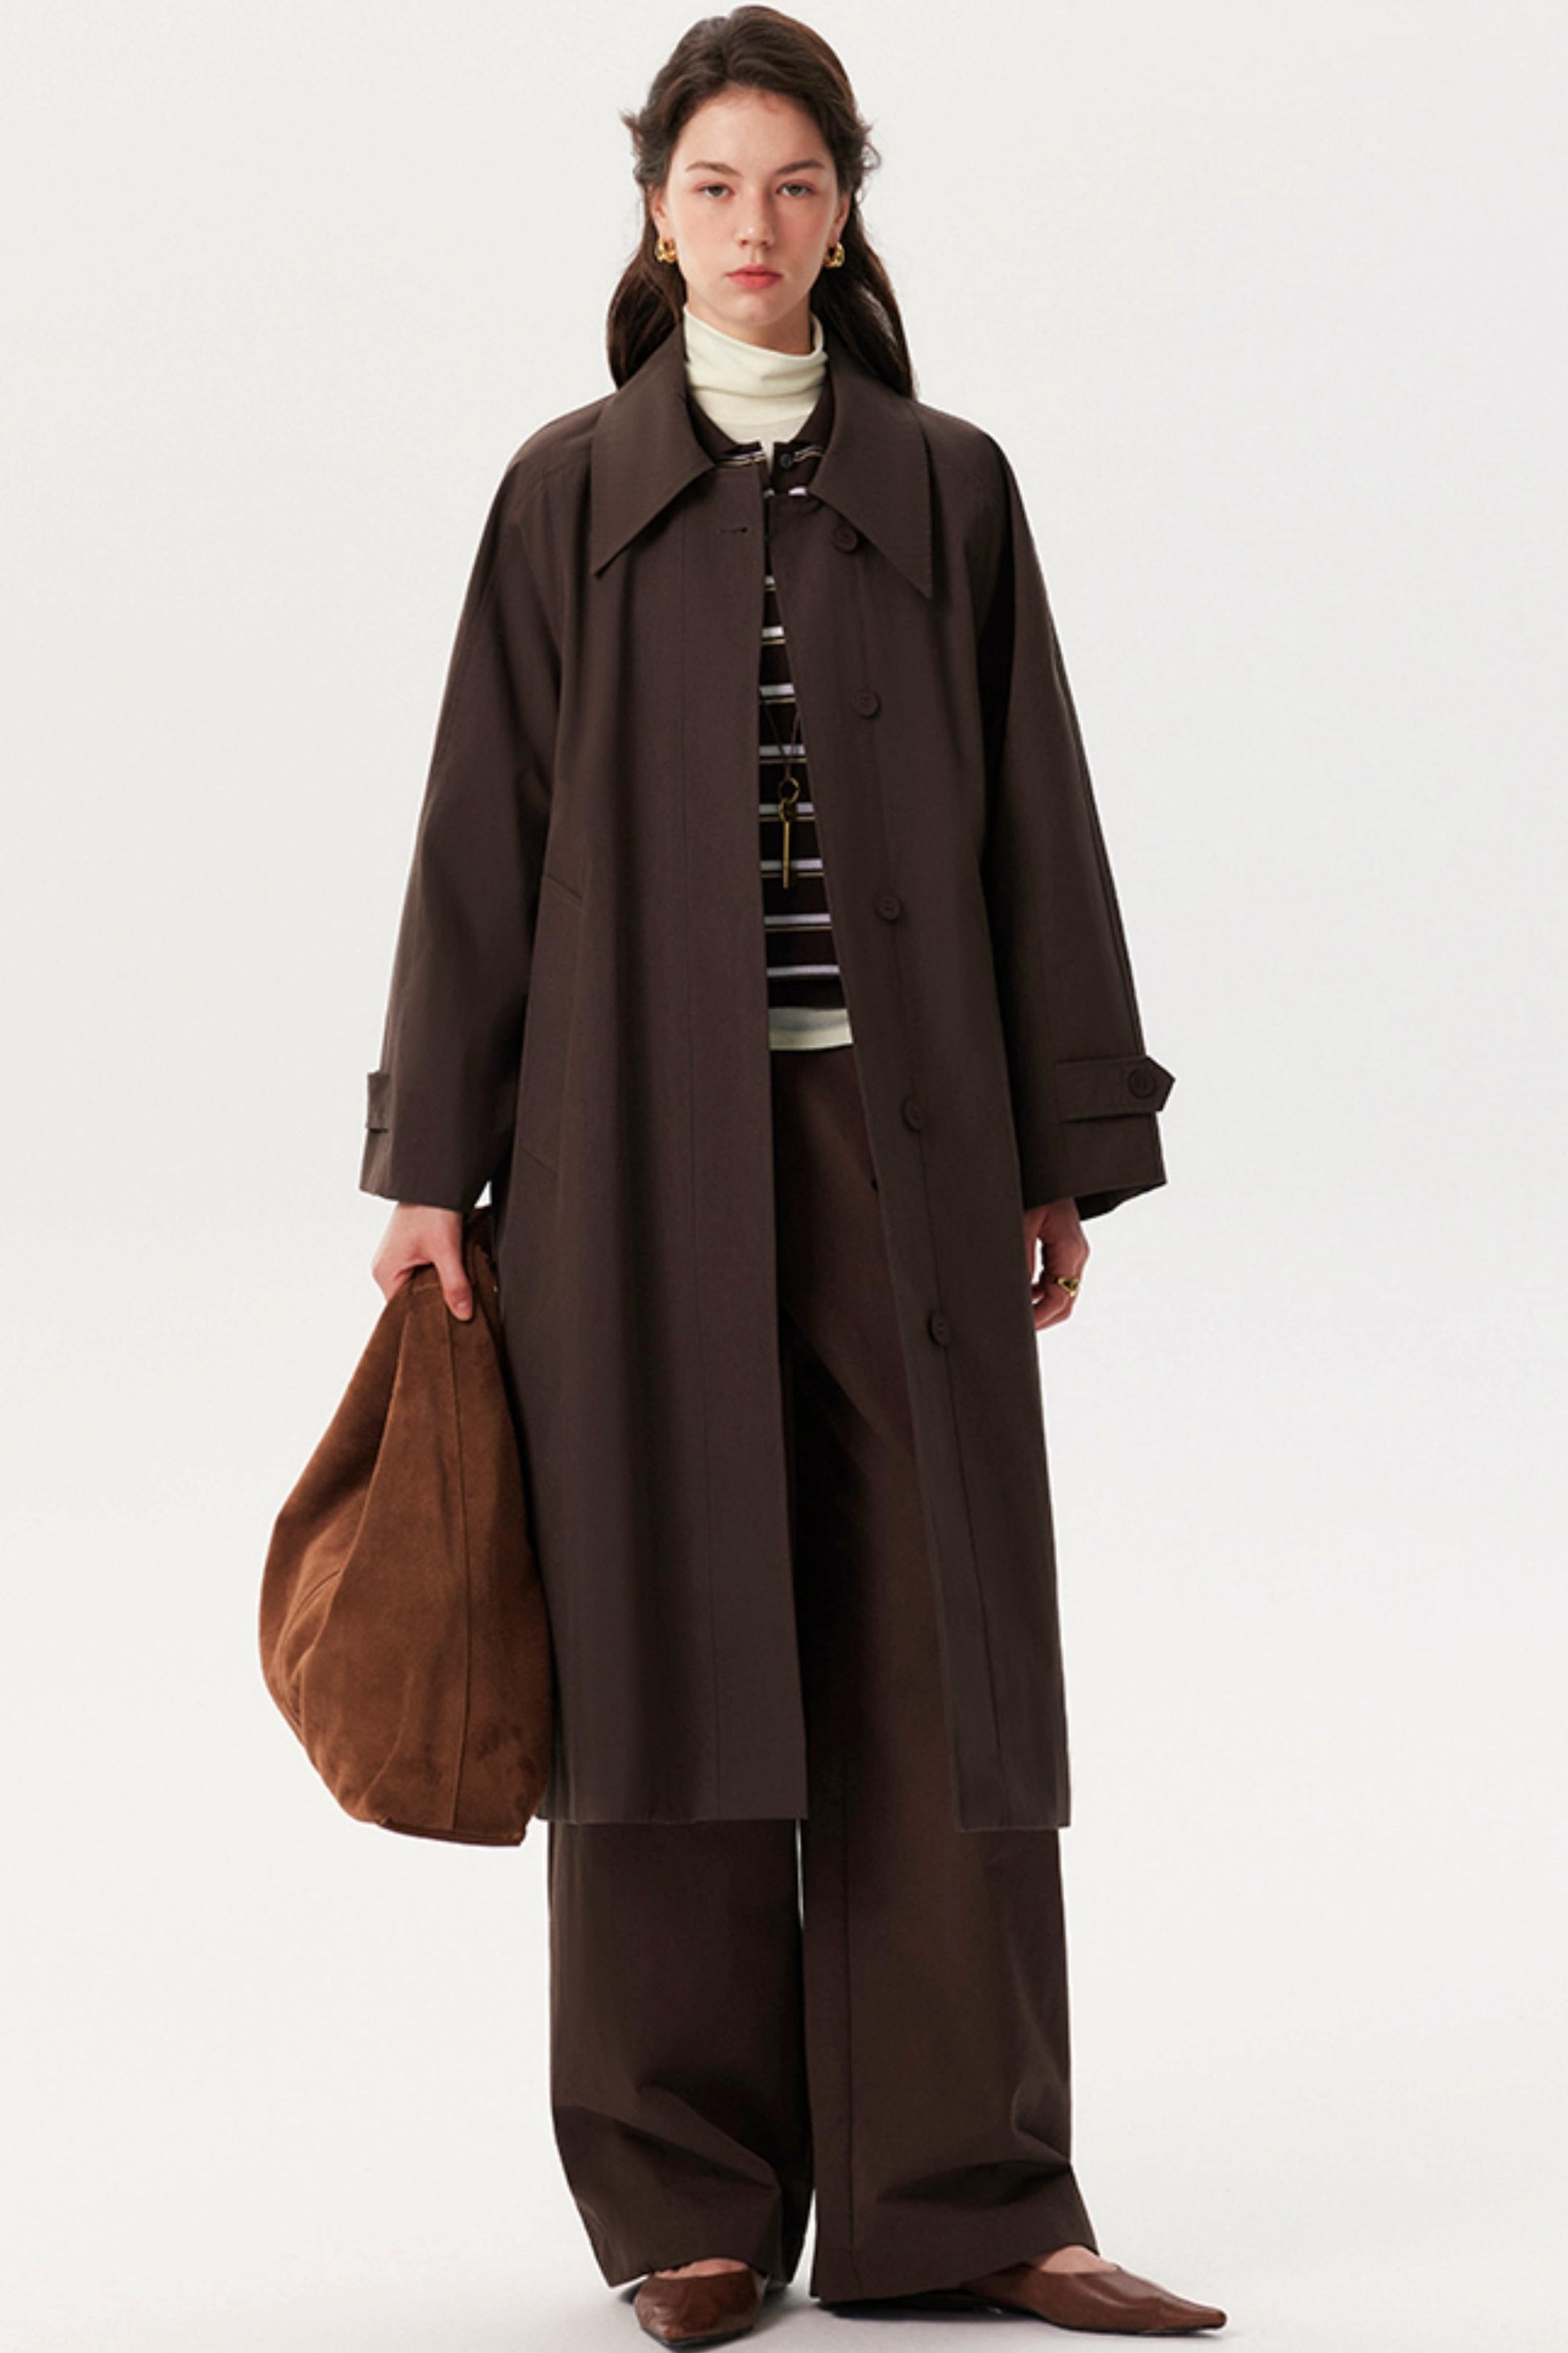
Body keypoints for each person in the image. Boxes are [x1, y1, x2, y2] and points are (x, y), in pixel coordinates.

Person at [360, 9, 1224, 2344]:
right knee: (656, 1641)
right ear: (655, 215)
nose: (757, 225)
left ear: (848, 213)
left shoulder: (950, 488)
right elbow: (478, 833)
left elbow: (1033, 815)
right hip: (622, 1166)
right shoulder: (564, 495)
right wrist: (433, 1162)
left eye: (799, 185)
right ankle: (688, 2205)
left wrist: (1063, 1144)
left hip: (905, 1149)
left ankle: (973, 2198)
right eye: (716, 185)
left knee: (943, 1656)